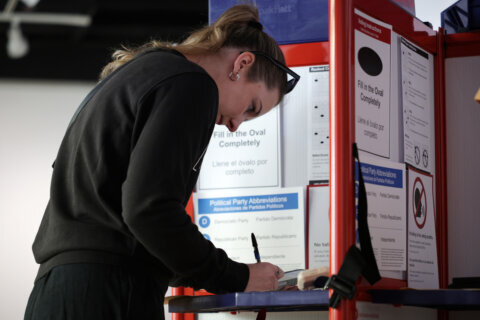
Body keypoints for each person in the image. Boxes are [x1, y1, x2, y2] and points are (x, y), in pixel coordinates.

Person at [24, 4, 300, 320]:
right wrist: (240, 277)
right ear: (242, 63)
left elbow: (134, 222)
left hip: (57, 291)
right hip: (109, 293)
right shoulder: (192, 84)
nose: (237, 124)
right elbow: (149, 211)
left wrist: (221, 275)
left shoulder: (140, 75)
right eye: (251, 107)